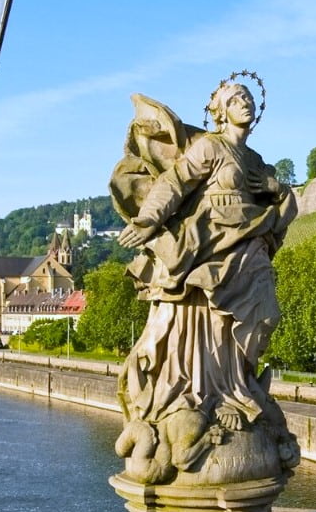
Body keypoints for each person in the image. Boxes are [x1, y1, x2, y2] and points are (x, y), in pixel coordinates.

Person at [111, 76, 297, 482]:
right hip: (210, 243)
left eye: (247, 97)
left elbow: (285, 205)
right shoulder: (211, 147)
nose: (244, 102)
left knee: (265, 315)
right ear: (220, 112)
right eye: (235, 98)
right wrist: (149, 220)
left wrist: (276, 188)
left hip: (249, 247)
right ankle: (211, 393)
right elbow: (174, 183)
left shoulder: (255, 160)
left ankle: (236, 385)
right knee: (207, 319)